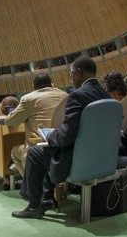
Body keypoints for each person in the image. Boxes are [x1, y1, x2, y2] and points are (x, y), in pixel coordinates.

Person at [12, 56, 109, 219]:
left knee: (36, 153)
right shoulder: (106, 95)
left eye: (71, 74)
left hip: (80, 159)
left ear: (78, 73)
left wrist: (51, 135)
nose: (71, 78)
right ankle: (47, 198)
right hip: (102, 156)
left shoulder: (78, 95)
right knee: (50, 151)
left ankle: (35, 205)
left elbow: (66, 135)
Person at [5, 74, 67, 178]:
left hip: (38, 146)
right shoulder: (65, 95)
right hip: (61, 145)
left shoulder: (28, 98)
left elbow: (11, 121)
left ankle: (28, 184)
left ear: (33, 87)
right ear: (52, 84)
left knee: (14, 152)